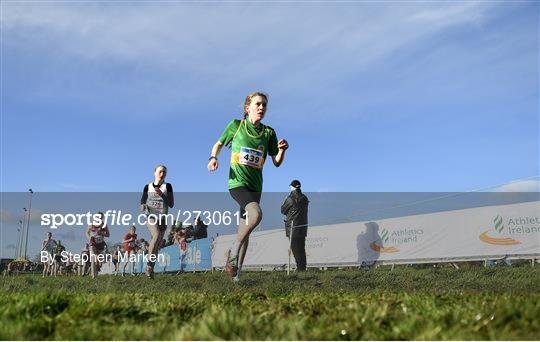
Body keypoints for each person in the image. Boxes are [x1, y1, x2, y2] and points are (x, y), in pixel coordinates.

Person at [208, 92, 288, 282]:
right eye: (258, 104)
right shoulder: (236, 126)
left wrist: (282, 151)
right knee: (256, 215)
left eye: (265, 105)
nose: (262, 108)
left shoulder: (269, 132)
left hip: (255, 186)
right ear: (247, 108)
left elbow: (276, 162)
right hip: (237, 183)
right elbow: (218, 144)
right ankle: (233, 252)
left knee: (245, 228)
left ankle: (236, 275)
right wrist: (213, 158)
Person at [140, 166, 174, 279]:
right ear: (155, 173)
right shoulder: (147, 186)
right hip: (151, 216)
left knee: (156, 245)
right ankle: (149, 264)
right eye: (160, 171)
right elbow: (142, 201)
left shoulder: (167, 186)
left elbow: (171, 204)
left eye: (164, 172)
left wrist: (162, 195)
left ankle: (150, 270)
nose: (162, 173)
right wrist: (143, 206)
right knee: (157, 234)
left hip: (162, 218)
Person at [281, 179, 309, 271]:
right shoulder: (304, 198)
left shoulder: (290, 198)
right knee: (301, 249)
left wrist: (285, 199)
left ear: (292, 187)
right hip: (302, 226)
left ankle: (300, 269)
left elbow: (283, 210)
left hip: (292, 227)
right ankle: (302, 268)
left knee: (296, 250)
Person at [86, 212, 110, 278]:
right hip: (92, 242)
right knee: (93, 257)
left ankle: (96, 272)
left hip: (100, 243)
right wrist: (89, 237)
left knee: (99, 260)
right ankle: (93, 275)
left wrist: (102, 233)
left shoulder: (104, 225)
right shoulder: (91, 224)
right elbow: (87, 232)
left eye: (101, 217)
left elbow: (108, 234)